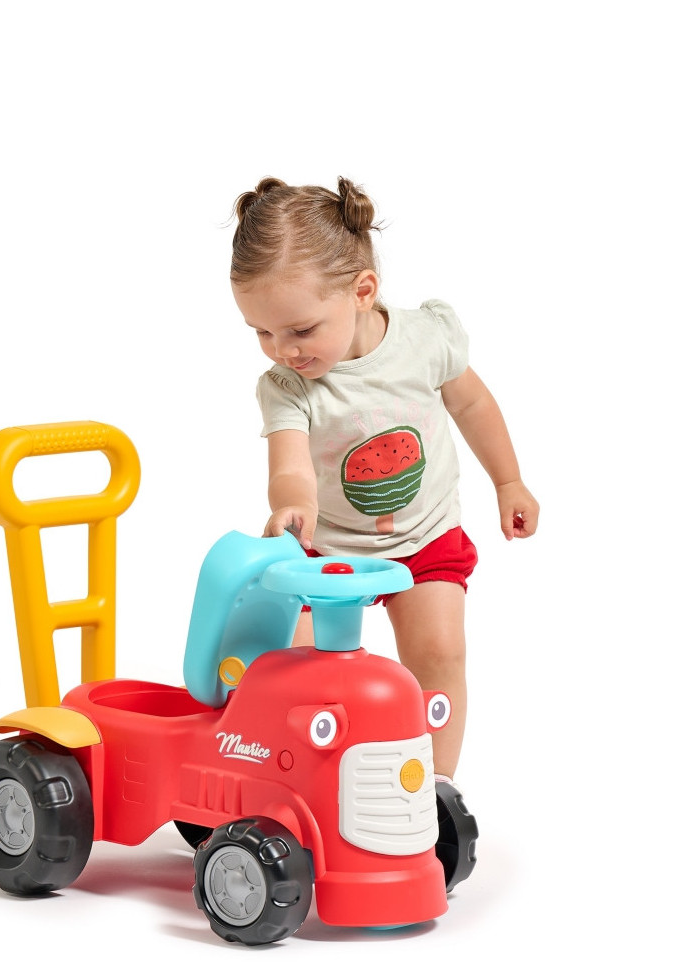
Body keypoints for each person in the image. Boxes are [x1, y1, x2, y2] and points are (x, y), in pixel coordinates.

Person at [231, 175, 539, 793]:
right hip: (326, 550)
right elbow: (290, 465)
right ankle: (304, 783)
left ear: (363, 291)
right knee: (295, 667)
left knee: (440, 655)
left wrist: (509, 481)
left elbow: (472, 404)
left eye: (300, 330)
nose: (282, 350)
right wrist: (293, 505)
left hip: (426, 536)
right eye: (262, 333)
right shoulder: (288, 386)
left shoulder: (425, 339)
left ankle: (433, 789)